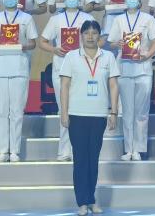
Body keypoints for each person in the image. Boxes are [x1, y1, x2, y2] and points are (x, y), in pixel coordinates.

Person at [59, 20, 120, 216]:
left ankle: (91, 199)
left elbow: (113, 86)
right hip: (76, 114)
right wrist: (64, 112)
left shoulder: (108, 57)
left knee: (93, 159)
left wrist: (113, 112)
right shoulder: (71, 56)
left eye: (94, 33)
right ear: (81, 36)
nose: (91, 36)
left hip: (98, 114)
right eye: (87, 33)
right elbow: (64, 86)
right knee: (80, 159)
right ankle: (82, 202)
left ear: (99, 36)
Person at [0, 0, 38, 162]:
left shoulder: (26, 18)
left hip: (19, 67)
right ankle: (2, 150)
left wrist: (20, 46)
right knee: (2, 111)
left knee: (16, 111)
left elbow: (33, 42)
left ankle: (14, 150)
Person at [40, 0, 95, 161]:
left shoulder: (87, 18)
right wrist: (54, 49)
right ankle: (64, 150)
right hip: (61, 68)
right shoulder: (55, 19)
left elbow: (97, 40)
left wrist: (86, 49)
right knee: (63, 108)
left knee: (80, 109)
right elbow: (42, 41)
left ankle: (79, 148)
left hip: (83, 69)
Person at [107, 0, 155, 160]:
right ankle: (128, 148)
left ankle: (139, 148)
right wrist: (118, 44)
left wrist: (148, 55)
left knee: (141, 112)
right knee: (127, 111)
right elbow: (111, 42)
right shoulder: (118, 19)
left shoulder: (148, 19)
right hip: (124, 68)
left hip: (143, 68)